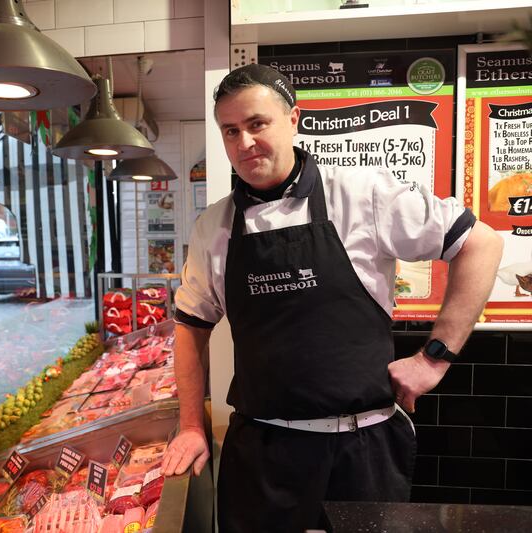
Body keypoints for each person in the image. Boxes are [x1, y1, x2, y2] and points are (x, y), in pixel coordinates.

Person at [160, 64, 503, 532]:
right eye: (230, 131)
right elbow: (190, 327)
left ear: (293, 118)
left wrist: (434, 358)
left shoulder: (364, 196)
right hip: (262, 459)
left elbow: (480, 243)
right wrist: (191, 426)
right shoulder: (213, 227)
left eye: (257, 124)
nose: (244, 143)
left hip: (362, 453)